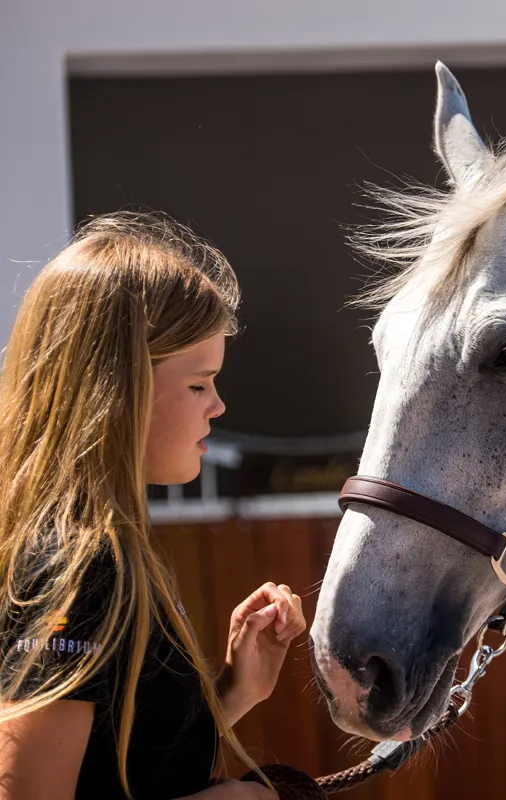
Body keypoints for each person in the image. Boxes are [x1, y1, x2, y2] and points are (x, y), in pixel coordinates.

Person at [0, 212, 305, 799]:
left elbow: (128, 765)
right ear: (119, 390)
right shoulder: (76, 566)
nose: (218, 406)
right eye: (198, 384)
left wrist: (236, 689)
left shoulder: (105, 550)